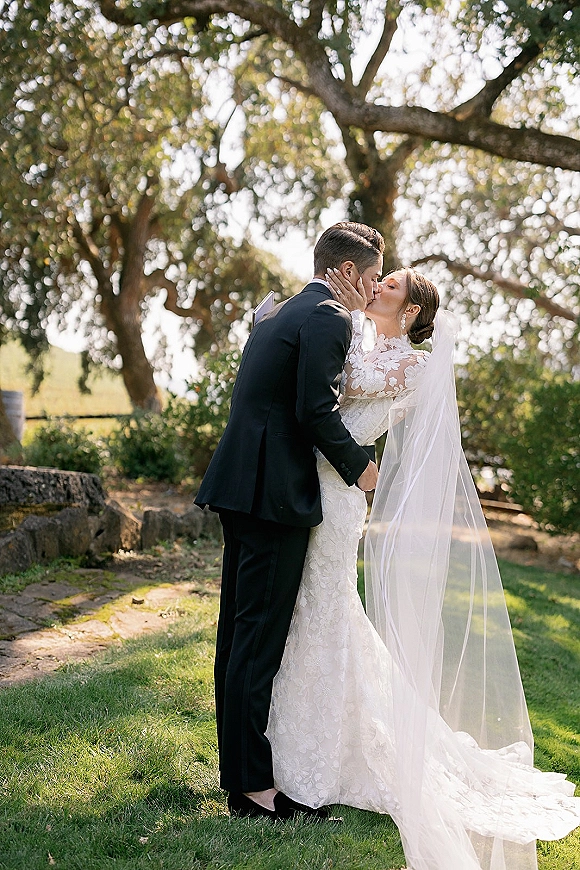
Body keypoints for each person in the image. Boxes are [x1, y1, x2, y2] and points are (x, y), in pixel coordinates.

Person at [267, 267, 580, 870]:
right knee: (317, 611)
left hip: (337, 496)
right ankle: (301, 740)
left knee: (325, 608)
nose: (377, 286)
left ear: (409, 312)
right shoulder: (352, 331)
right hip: (307, 485)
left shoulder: (411, 367)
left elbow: (348, 389)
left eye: (390, 287)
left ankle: (317, 753)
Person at [195, 221, 384, 820]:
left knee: (238, 636)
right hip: (273, 496)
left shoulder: (276, 315)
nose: (373, 289)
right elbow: (314, 411)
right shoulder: (328, 316)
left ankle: (240, 775)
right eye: (373, 277)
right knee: (258, 642)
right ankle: (254, 790)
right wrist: (363, 470)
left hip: (239, 484)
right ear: (347, 272)